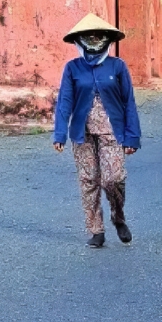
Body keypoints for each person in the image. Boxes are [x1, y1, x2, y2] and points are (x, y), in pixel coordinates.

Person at [52, 13, 140, 248]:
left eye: (98, 36)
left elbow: (128, 102)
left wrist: (132, 136)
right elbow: (65, 102)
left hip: (113, 131)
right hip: (83, 134)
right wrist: (60, 133)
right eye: (88, 36)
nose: (93, 40)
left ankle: (118, 217)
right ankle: (96, 230)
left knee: (113, 179)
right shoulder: (72, 68)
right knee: (88, 180)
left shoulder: (117, 66)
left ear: (106, 39)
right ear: (79, 40)